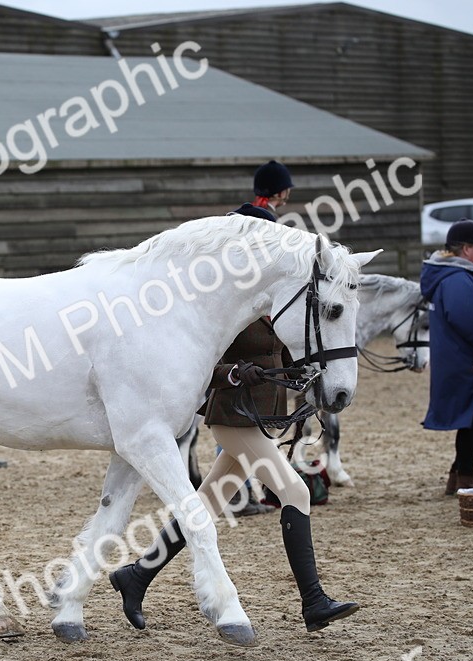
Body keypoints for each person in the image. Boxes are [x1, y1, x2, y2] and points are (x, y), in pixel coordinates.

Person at [108, 161, 359, 636]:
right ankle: (314, 603)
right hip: (231, 413)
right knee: (296, 491)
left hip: (261, 414)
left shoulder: (281, 302)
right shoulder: (223, 307)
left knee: (206, 504)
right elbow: (201, 363)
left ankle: (135, 576)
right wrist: (235, 371)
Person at [420, 219, 473, 494]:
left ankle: (459, 472)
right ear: (465, 248)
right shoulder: (457, 278)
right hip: (471, 361)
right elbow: (470, 321)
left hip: (465, 359)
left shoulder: (457, 275)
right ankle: (466, 474)